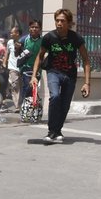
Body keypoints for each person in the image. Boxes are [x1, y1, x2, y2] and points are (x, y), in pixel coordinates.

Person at [30, 8, 91, 144]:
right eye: (57, 20)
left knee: (65, 104)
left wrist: (87, 83)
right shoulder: (49, 37)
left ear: (69, 23)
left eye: (62, 21)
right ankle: (51, 131)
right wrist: (34, 76)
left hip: (70, 75)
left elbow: (86, 60)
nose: (59, 23)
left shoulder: (76, 38)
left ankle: (57, 131)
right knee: (55, 96)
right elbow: (40, 56)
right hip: (53, 72)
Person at [17, 19, 43, 105]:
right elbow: (17, 54)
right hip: (25, 68)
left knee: (34, 88)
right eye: (32, 27)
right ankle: (24, 105)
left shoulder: (43, 41)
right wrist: (17, 48)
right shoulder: (24, 39)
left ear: (40, 29)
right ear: (29, 28)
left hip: (38, 69)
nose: (34, 29)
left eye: (36, 27)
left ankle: (31, 107)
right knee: (28, 86)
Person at [6, 25, 22, 106]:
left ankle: (21, 104)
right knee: (14, 86)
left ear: (17, 33)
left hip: (22, 67)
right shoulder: (9, 42)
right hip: (13, 68)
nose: (11, 34)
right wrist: (4, 62)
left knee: (21, 86)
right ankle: (17, 106)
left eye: (12, 33)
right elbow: (7, 53)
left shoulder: (23, 41)